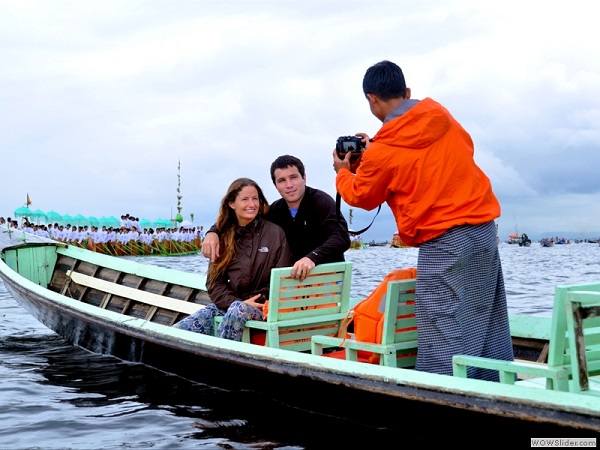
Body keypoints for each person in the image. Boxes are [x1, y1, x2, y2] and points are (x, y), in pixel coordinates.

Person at [333, 60, 513, 380]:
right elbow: (426, 158)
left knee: (441, 325)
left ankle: (443, 401)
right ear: (408, 92)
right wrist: (373, 150)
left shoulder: (383, 150)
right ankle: (495, 388)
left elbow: (361, 196)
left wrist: (343, 172)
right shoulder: (441, 115)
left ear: (371, 99)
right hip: (484, 232)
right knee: (486, 320)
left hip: (445, 241)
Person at [173, 178, 291, 340]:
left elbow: (281, 280)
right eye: (245, 199)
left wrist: (251, 302)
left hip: (263, 306)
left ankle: (222, 359)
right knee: (178, 331)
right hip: (231, 303)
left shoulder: (275, 233)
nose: (252, 204)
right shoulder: (222, 236)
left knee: (238, 309)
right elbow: (215, 284)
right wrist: (236, 301)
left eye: (255, 198)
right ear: (231, 203)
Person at [202, 155, 351, 281]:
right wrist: (213, 232)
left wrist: (312, 258)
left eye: (293, 177)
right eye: (282, 181)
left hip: (328, 278)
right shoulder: (275, 210)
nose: (289, 185)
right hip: (295, 282)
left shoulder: (321, 201)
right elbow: (243, 218)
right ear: (275, 185)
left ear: (304, 178)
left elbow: (341, 237)